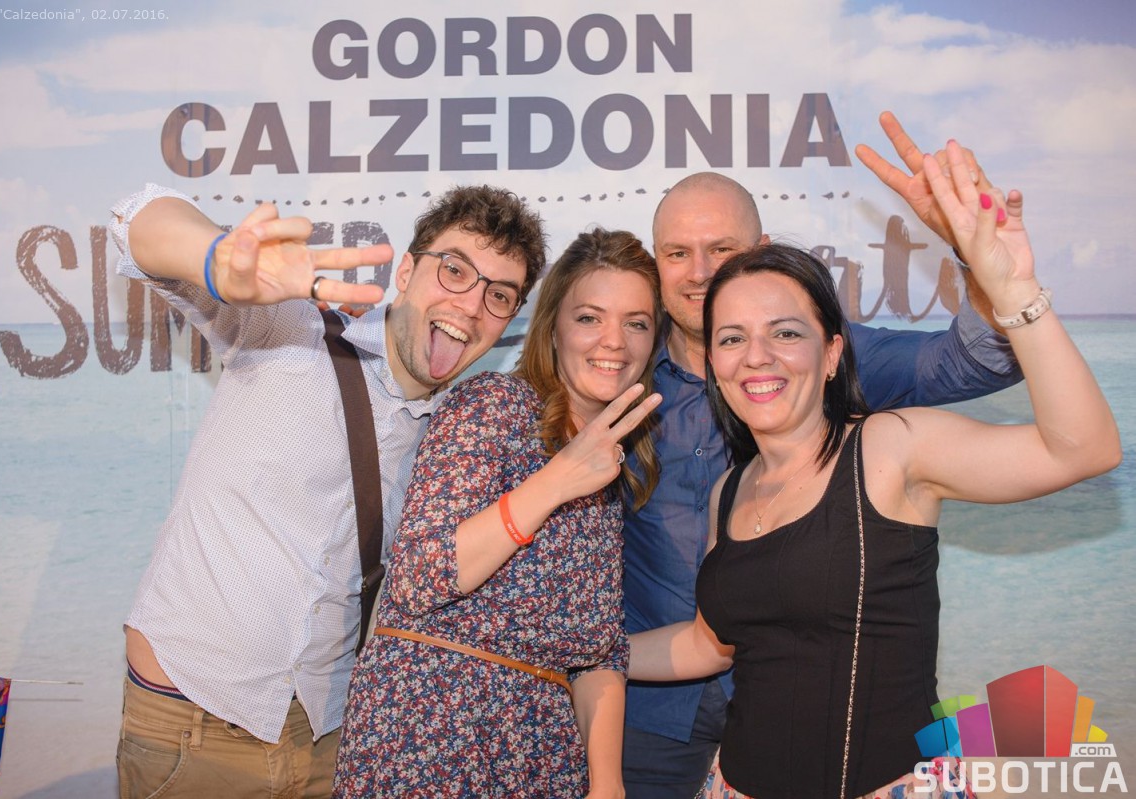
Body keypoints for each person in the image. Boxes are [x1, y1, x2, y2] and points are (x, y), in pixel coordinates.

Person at [628, 141, 1121, 799]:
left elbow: (1083, 447)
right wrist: (574, 648)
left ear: (835, 352)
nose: (758, 356)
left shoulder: (890, 449)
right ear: (716, 362)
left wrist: (1010, 287)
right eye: (733, 338)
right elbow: (706, 643)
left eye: (786, 333)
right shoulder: (730, 492)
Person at [110, 183, 546, 799]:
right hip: (191, 719)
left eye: (498, 295)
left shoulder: (459, 442)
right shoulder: (292, 328)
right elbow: (134, 218)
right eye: (454, 270)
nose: (471, 305)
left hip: (329, 740)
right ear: (406, 271)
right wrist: (214, 258)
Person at [333, 229, 665, 798]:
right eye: (589, 318)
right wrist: (557, 480)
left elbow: (601, 651)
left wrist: (607, 783)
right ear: (553, 328)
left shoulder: (609, 466)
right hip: (429, 740)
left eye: (636, 323)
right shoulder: (495, 405)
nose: (614, 341)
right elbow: (421, 574)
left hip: (542, 757)